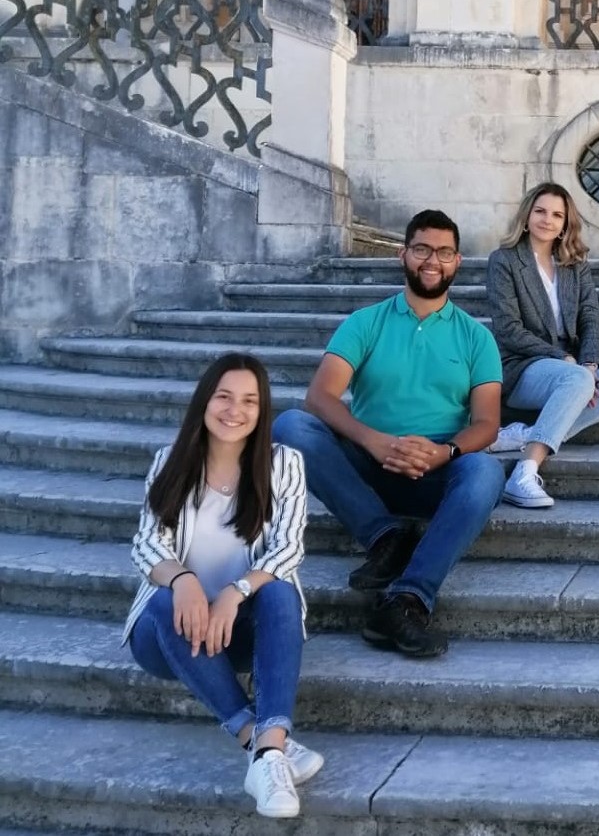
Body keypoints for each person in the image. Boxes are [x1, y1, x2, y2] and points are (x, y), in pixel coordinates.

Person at [273, 209, 505, 660]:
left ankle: (407, 599)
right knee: (290, 425)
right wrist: (373, 441)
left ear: (457, 261)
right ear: (403, 255)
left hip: (436, 472)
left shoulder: (477, 338)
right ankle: (385, 536)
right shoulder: (366, 322)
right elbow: (320, 397)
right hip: (367, 467)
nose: (432, 261)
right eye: (422, 249)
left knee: (486, 472)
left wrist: (443, 451)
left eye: (444, 252)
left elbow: (486, 424)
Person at [123, 353, 318, 819]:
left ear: (262, 410)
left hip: (241, 630)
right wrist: (184, 580)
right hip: (166, 637)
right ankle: (265, 746)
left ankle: (267, 749)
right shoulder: (169, 462)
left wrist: (235, 592)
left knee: (279, 590)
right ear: (204, 401)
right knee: (164, 601)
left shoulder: (283, 463)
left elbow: (288, 548)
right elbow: (147, 544)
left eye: (250, 401)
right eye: (224, 397)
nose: (235, 410)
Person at [485, 183, 599, 507]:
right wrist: (564, 359)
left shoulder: (574, 264)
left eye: (557, 215)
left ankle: (527, 435)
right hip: (522, 366)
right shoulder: (504, 261)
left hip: (572, 368)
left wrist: (590, 364)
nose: (547, 220)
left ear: (565, 224)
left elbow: (591, 318)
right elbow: (508, 329)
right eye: (540, 211)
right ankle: (524, 473)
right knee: (577, 377)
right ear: (526, 216)